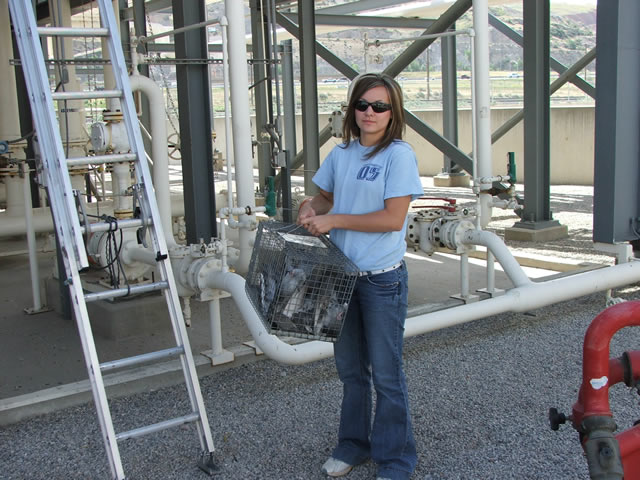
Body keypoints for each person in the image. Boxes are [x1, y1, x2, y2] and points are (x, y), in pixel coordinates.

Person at [297, 73, 423, 480]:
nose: (370, 113)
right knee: (351, 371)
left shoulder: (398, 156)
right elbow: (326, 197)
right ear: (352, 109)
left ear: (393, 112)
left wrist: (334, 219)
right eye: (362, 105)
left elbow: (392, 218)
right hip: (342, 277)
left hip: (382, 280)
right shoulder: (342, 153)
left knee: (387, 374)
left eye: (380, 106)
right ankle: (353, 444)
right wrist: (310, 206)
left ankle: (395, 459)